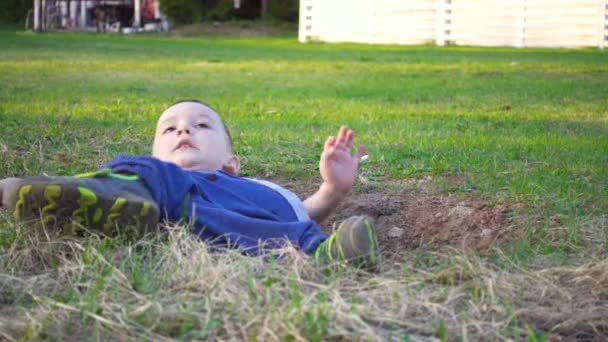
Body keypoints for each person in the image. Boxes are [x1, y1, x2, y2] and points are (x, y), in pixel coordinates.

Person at [0, 100, 380, 269]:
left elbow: (303, 213)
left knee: (289, 231)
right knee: (141, 176)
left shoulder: (255, 186)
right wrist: (148, 175)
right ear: (156, 155)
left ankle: (328, 255)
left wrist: (333, 189)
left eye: (201, 125)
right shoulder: (160, 173)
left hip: (250, 226)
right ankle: (96, 194)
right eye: (169, 128)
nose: (183, 128)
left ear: (232, 162)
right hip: (168, 206)